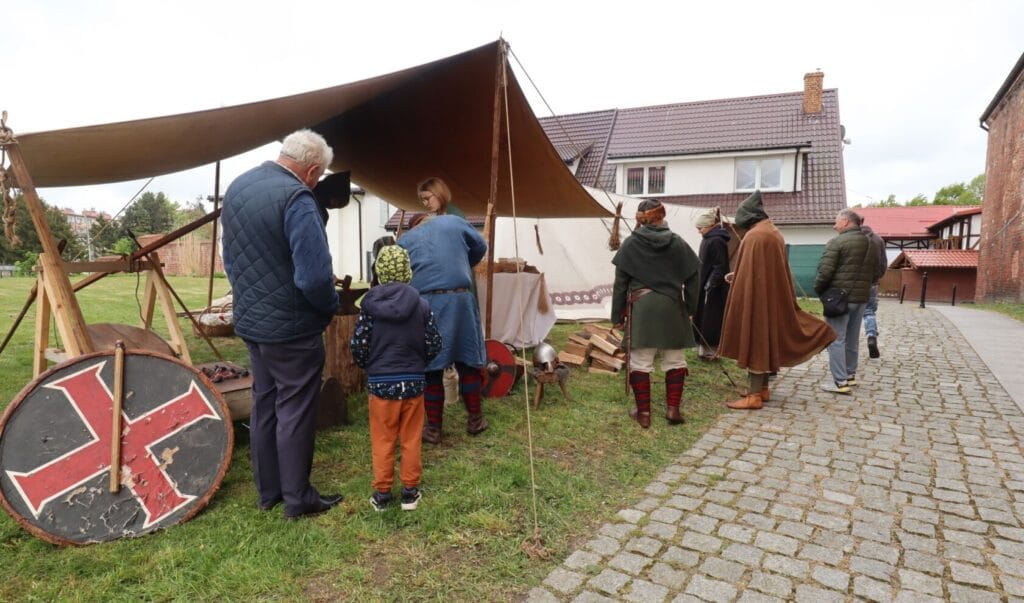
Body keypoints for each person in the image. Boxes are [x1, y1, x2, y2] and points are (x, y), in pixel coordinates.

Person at [221, 129, 343, 519]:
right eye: (319, 176)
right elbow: (314, 278)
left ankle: (268, 492)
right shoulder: (298, 199)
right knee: (295, 409)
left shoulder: (239, 187)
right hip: (292, 328)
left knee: (265, 403)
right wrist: (329, 308)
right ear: (310, 171)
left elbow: (231, 260)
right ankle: (298, 498)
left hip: (253, 321)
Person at [719, 191, 835, 409]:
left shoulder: (757, 236)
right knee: (762, 339)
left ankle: (754, 396)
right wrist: (739, 275)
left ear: (749, 215)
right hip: (767, 297)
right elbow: (761, 270)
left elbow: (757, 273)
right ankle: (762, 389)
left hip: (758, 300)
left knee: (756, 339)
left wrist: (741, 280)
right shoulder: (770, 231)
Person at [350, 246, 442, 512]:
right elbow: (434, 342)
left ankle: (381, 494)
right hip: (413, 381)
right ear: (407, 271)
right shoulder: (422, 306)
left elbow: (359, 345)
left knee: (382, 438)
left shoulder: (368, 308)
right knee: (411, 438)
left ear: (379, 271)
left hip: (380, 383)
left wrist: (370, 366)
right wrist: (421, 363)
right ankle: (410, 493)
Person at [398, 213, 488, 444]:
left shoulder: (404, 241)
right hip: (461, 299)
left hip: (428, 303)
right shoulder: (452, 222)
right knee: (467, 362)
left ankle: (434, 429)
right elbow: (480, 246)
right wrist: (462, 263)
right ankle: (475, 420)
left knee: (431, 369)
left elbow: (400, 277)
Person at [611, 199, 701, 428]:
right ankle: (673, 410)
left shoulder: (631, 244)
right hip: (672, 309)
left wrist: (617, 316)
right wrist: (690, 307)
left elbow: (620, 284)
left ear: (640, 219)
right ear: (661, 216)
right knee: (675, 360)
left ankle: (643, 414)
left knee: (640, 362)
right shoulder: (678, 243)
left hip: (643, 310)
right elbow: (694, 277)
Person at [814, 208, 879, 394]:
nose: (834, 225)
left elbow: (824, 272)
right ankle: (849, 376)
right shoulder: (871, 243)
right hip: (861, 298)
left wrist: (819, 290)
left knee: (835, 339)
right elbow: (877, 271)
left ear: (845, 222)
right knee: (851, 339)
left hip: (839, 299)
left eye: (837, 221)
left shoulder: (837, 242)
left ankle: (839, 382)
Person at [692, 207, 731, 361]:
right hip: (704, 285)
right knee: (702, 318)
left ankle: (712, 352)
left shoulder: (717, 241)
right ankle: (703, 350)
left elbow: (720, 266)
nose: (699, 231)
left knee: (711, 321)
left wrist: (711, 284)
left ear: (710, 226)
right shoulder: (707, 239)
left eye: (700, 228)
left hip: (714, 289)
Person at [861, 221, 887, 359]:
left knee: (849, 313)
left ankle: (846, 344)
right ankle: (871, 335)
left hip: (854, 283)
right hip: (871, 282)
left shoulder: (854, 238)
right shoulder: (878, 240)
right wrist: (877, 278)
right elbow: (883, 263)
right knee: (869, 312)